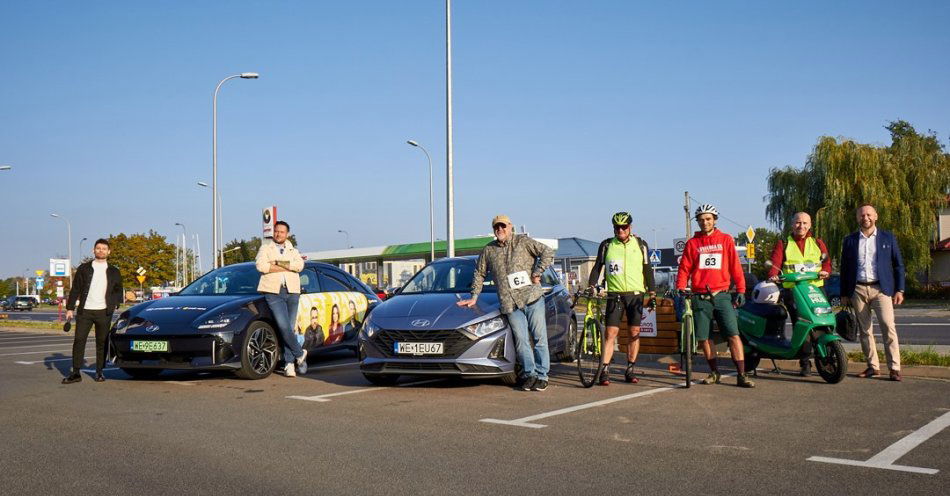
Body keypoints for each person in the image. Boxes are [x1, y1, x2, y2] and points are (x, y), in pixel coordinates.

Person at [457, 214, 555, 392]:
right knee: (521, 341)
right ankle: (529, 374)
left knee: (539, 338)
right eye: (496, 227)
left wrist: (537, 272)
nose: (500, 230)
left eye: (503, 226)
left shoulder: (523, 242)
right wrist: (474, 297)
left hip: (532, 298)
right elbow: (479, 273)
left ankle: (542, 376)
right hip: (510, 304)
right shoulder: (489, 250)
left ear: (510, 227)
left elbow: (547, 252)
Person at [675, 204, 754, 388]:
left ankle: (742, 375)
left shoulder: (725, 240)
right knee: (704, 338)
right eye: (701, 219)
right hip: (700, 296)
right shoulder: (692, 243)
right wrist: (680, 286)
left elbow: (735, 267)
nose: (705, 222)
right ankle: (714, 372)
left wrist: (741, 290)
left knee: (733, 335)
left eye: (708, 219)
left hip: (722, 295)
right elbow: (684, 268)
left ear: (714, 220)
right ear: (698, 221)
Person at [587, 212, 656, 385]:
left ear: (630, 227)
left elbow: (647, 270)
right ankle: (604, 369)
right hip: (615, 294)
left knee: (634, 332)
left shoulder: (641, 244)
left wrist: (652, 293)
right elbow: (597, 267)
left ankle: (630, 368)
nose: (620, 230)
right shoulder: (607, 245)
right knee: (611, 333)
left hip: (636, 294)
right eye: (617, 227)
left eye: (624, 227)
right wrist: (592, 285)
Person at [839, 204, 905, 381]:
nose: (865, 218)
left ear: (876, 216)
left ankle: (894, 368)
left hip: (881, 289)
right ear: (857, 218)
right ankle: (873, 366)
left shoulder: (888, 237)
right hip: (858, 289)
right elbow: (844, 268)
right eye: (862, 215)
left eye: (869, 214)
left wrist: (900, 289)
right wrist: (844, 293)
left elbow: (898, 265)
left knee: (888, 327)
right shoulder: (850, 240)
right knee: (865, 330)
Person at [767, 211, 832, 376]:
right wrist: (773, 275)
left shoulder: (817, 243)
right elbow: (775, 263)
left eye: (804, 223)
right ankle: (805, 362)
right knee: (800, 325)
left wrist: (825, 271)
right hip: (794, 291)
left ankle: (827, 355)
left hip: (815, 289)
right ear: (792, 224)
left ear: (810, 225)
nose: (801, 226)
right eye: (797, 222)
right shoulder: (784, 243)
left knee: (822, 322)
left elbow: (827, 262)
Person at [62, 238, 124, 384]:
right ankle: (76, 373)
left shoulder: (114, 271)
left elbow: (118, 289)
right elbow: (75, 288)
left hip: (104, 312)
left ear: (109, 251)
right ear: (93, 250)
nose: (101, 251)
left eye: (104, 248)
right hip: (85, 311)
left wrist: (115, 303)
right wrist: (70, 308)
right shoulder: (84, 268)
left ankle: (99, 372)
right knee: (79, 341)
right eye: (98, 248)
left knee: (102, 342)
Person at [255, 220, 308, 377]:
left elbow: (299, 266)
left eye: (282, 232)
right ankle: (300, 354)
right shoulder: (265, 248)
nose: (278, 234)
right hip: (273, 292)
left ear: (287, 234)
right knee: (283, 326)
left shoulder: (293, 250)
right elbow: (261, 266)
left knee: (289, 328)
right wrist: (287, 266)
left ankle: (289, 364)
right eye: (276, 231)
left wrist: (276, 262)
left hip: (292, 292)